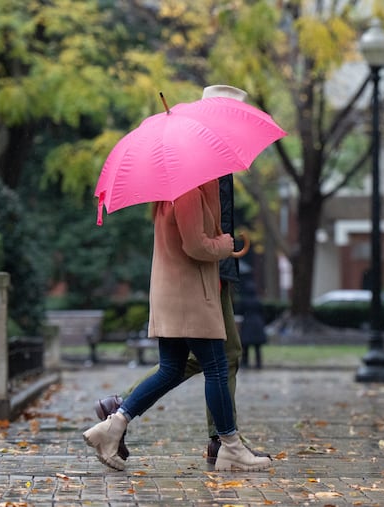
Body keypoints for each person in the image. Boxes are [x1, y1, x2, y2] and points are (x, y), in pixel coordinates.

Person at [84, 86, 272, 472]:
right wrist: (226, 244)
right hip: (191, 292)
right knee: (218, 365)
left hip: (178, 292)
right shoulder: (189, 186)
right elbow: (196, 245)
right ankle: (230, 446)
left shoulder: (189, 181)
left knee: (173, 368)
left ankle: (113, 424)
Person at [238, 279, 267, 369]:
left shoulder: (244, 301)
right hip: (257, 324)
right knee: (257, 347)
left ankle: (245, 363)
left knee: (245, 346)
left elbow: (240, 311)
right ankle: (258, 364)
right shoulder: (258, 301)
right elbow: (263, 312)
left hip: (247, 323)